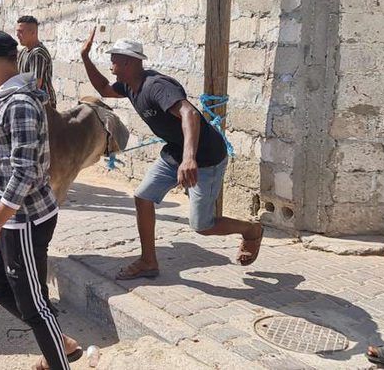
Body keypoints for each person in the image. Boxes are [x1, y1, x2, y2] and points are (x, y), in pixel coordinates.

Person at [81, 29, 263, 280]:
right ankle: (148, 262)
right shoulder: (128, 85)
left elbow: (189, 114)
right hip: (174, 153)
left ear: (129, 61)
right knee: (143, 197)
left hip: (206, 158)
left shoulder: (155, 86)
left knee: (202, 225)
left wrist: (190, 158)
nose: (111, 62)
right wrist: (84, 57)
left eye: (115, 58)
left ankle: (251, 230)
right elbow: (103, 88)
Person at [0, 30, 81, 370]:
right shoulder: (11, 98)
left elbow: (26, 173)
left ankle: (59, 354)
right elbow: (13, 156)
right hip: (13, 218)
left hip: (24, 220)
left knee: (34, 305)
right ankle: (61, 342)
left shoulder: (20, 104)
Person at [16, 15, 56, 109]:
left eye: (21, 32)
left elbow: (36, 84)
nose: (17, 35)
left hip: (43, 104)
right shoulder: (23, 51)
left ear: (33, 33)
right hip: (29, 101)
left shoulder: (38, 53)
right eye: (17, 31)